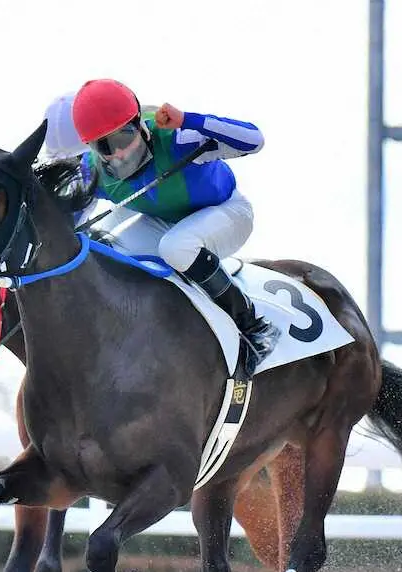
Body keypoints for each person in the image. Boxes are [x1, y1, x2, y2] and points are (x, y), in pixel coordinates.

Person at [59, 78, 279, 375]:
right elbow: (68, 225)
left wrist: (188, 119)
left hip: (227, 212)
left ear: (139, 124)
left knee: (176, 246)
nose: (119, 153)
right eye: (105, 146)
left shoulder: (178, 138)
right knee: (102, 250)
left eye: (124, 137)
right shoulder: (92, 170)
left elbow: (255, 139)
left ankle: (253, 327)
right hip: (164, 223)